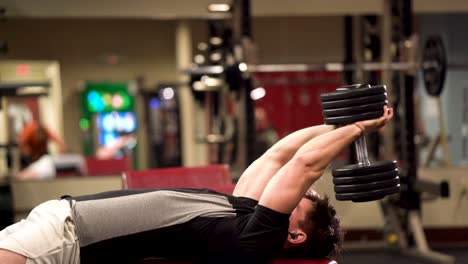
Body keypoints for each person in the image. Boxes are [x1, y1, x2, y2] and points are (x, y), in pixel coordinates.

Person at [0, 106, 393, 264]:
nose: (298, 193)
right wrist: (339, 124)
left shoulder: (253, 239)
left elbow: (306, 165)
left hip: (64, 241)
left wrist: (360, 127)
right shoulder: (243, 209)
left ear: (293, 235)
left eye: (301, 204)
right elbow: (280, 155)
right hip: (62, 221)